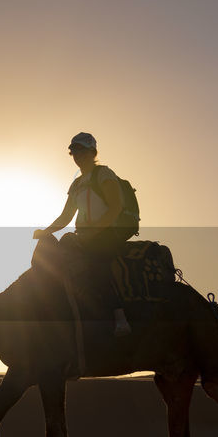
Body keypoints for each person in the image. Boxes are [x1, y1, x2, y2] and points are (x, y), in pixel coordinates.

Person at [33, 132, 138, 335]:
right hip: (85, 236)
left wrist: (95, 231)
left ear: (92, 152)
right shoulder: (76, 185)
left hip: (107, 233)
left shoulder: (103, 174)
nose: (77, 154)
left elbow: (115, 207)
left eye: (81, 149)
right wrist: (45, 232)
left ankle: (120, 318)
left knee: (97, 266)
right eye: (74, 151)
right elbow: (65, 217)